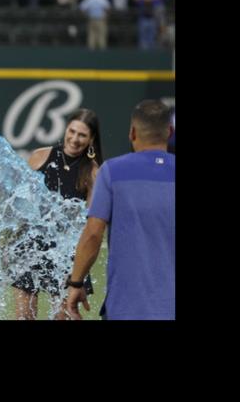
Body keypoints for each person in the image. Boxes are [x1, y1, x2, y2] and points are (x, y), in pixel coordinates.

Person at [66, 100, 175, 320]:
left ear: (132, 133)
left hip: (124, 308)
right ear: (170, 131)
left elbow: (93, 234)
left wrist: (76, 282)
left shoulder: (112, 171)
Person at [0, 109, 104, 320]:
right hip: (30, 246)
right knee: (23, 317)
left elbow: (89, 223)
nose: (74, 139)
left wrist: (78, 269)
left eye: (82, 135)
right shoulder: (40, 156)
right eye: (71, 131)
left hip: (67, 252)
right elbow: (17, 205)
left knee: (62, 317)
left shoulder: (93, 172)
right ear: (66, 129)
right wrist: (3, 244)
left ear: (91, 139)